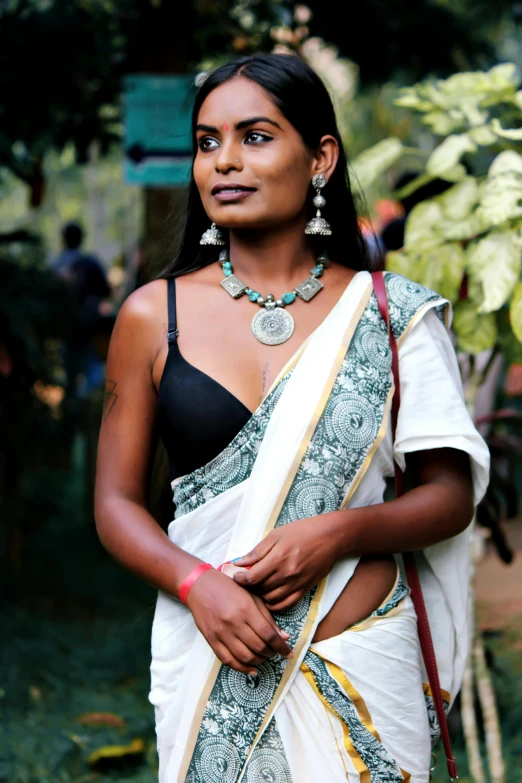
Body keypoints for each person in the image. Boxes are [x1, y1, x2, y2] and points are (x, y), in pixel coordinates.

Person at [94, 54, 489, 782]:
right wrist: (194, 583)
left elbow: (450, 495)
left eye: (256, 136)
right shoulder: (155, 316)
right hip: (213, 658)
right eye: (208, 142)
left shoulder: (390, 313)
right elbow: (116, 504)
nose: (226, 161)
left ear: (321, 158)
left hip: (364, 659)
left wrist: (336, 531)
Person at [52, 222, 112, 395]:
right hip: (88, 325)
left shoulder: (56, 265)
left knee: (69, 368)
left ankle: (72, 403)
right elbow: (105, 290)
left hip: (63, 326)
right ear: (81, 239)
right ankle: (85, 402)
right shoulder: (89, 263)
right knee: (90, 367)